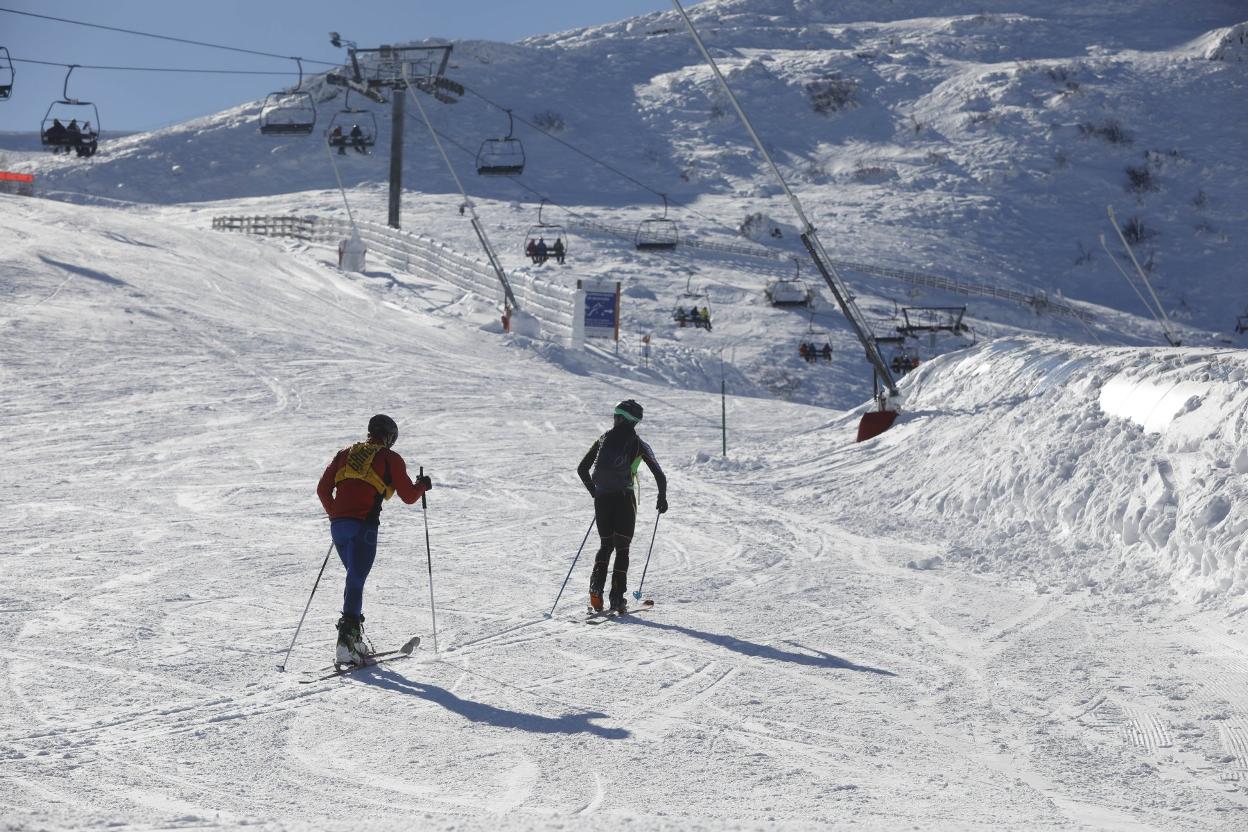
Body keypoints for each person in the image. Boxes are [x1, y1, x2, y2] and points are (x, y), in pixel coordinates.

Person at [316, 414, 432, 665]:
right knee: (356, 580)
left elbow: (322, 489)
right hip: (363, 527)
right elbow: (409, 496)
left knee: (353, 579)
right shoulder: (390, 458)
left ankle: (353, 638)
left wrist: (336, 513)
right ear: (389, 438)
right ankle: (346, 645)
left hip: (338, 527)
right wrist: (422, 485)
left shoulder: (344, 453)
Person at [577, 400, 668, 613]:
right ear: (635, 422)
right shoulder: (639, 444)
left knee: (605, 545)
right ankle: (617, 598)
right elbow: (660, 476)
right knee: (622, 549)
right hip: (625, 499)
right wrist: (662, 498)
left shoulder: (603, 439)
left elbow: (582, 469)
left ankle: (595, 590)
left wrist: (596, 492)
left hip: (603, 498)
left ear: (618, 417)